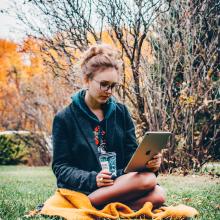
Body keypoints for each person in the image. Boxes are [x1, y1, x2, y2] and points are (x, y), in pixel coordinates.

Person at [52, 43, 165, 210]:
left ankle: (99, 207)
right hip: (87, 188)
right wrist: (93, 179)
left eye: (113, 86)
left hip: (119, 182)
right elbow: (61, 167)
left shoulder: (121, 112)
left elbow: (130, 156)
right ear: (87, 80)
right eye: (104, 84)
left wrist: (149, 164)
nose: (109, 91)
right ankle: (90, 203)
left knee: (159, 194)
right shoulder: (64, 118)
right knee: (148, 181)